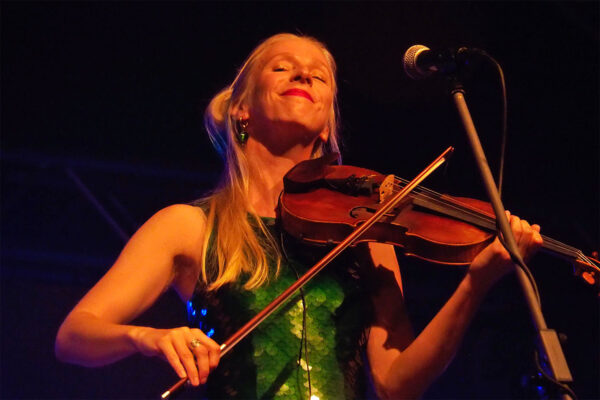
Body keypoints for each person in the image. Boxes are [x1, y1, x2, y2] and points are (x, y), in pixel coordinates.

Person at [55, 33, 543, 399]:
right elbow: (76, 335)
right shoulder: (190, 225)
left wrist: (476, 283)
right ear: (242, 111)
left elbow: (396, 382)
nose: (303, 75)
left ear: (328, 118)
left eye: (320, 74)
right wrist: (148, 337)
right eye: (282, 68)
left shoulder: (369, 232)